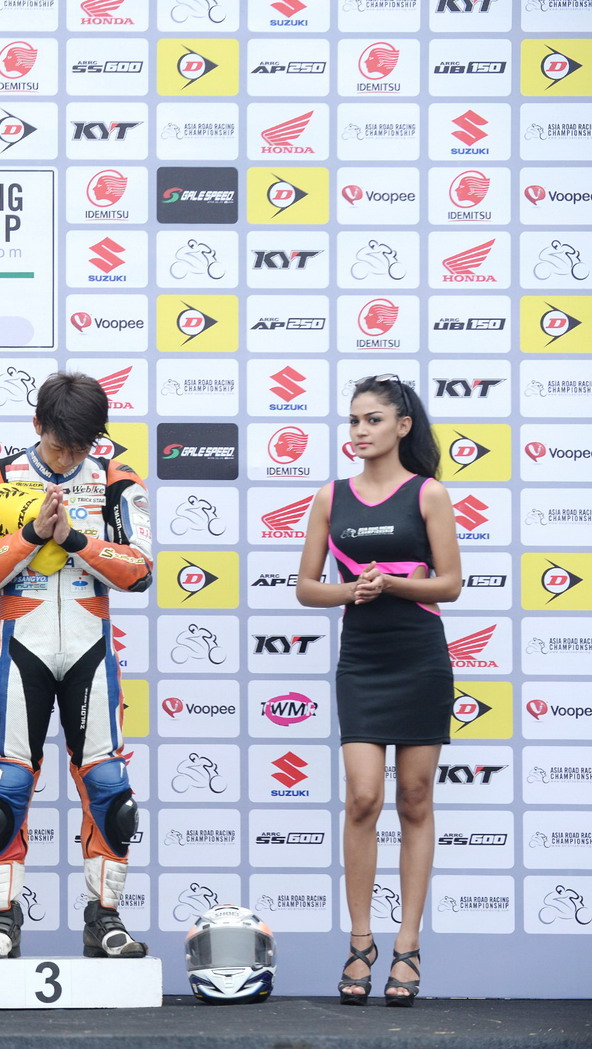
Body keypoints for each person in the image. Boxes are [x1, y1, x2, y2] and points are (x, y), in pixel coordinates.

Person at [0, 372, 153, 960]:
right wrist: (30, 535)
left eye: (82, 446)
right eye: (61, 445)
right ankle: (1, 920)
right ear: (37, 425)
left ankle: (105, 919)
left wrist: (74, 542)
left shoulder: (116, 477)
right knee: (7, 788)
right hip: (24, 646)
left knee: (110, 789)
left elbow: (141, 572)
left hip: (91, 648)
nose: (70, 458)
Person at [295, 374, 460, 1006]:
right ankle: (360, 943)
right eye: (354, 421)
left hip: (419, 658)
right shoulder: (331, 496)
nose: (360, 431)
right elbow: (307, 587)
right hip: (362, 661)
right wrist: (353, 590)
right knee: (363, 798)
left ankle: (407, 946)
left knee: (415, 799)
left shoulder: (428, 493)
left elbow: (450, 584)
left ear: (402, 426)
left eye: (372, 420)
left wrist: (392, 584)